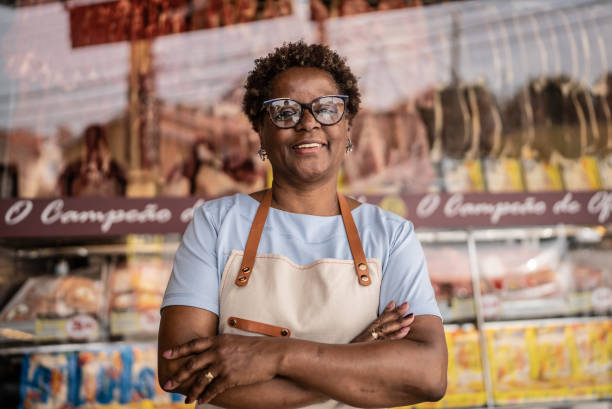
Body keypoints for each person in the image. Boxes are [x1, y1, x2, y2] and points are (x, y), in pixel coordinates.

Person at [158, 41, 447, 408]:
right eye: (284, 111)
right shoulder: (216, 224)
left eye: (327, 109)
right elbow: (179, 371)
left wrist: (276, 356)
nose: (308, 122)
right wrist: (356, 356)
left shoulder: (390, 235)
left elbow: (430, 374)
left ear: (347, 127)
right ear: (261, 132)